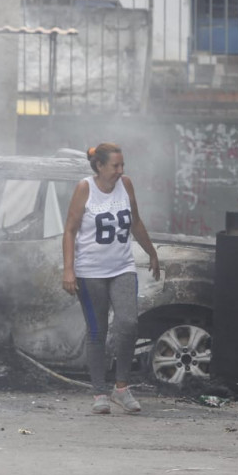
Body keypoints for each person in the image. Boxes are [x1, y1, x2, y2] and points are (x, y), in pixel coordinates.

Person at [63, 143, 161, 415]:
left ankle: (121, 387)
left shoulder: (126, 184)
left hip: (122, 267)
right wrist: (68, 269)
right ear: (99, 166)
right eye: (115, 166)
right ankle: (99, 392)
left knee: (128, 323)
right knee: (97, 331)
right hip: (90, 271)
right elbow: (70, 230)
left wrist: (151, 253)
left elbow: (136, 223)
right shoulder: (85, 188)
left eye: (122, 165)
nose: (121, 170)